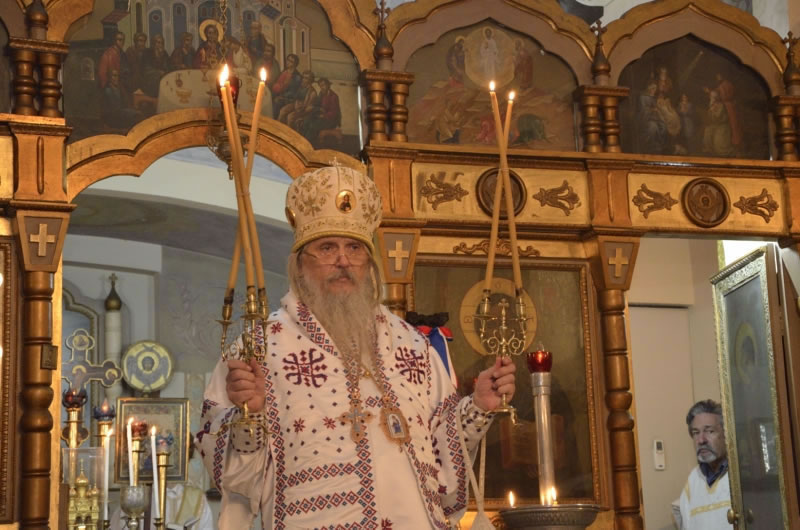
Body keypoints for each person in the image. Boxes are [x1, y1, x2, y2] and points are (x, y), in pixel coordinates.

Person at [196, 165, 516, 528]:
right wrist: (248, 416)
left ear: (369, 264)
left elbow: (441, 464)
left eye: (354, 248)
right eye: (327, 248)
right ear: (299, 264)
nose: (343, 261)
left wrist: (477, 407)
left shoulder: (414, 347)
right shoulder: (259, 349)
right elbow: (233, 477)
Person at [674, 399, 732, 529]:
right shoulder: (693, 481)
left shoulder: (740, 477)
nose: (701, 440)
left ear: (726, 434)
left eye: (710, 431)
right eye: (696, 433)